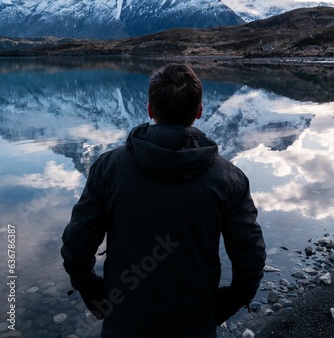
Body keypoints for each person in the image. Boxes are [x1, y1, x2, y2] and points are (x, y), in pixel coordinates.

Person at [61, 63, 266, 338]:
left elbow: (76, 247)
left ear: (150, 109)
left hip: (124, 322)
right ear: (199, 111)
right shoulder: (229, 179)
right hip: (194, 324)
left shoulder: (108, 168)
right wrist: (223, 307)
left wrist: (94, 292)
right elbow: (250, 259)